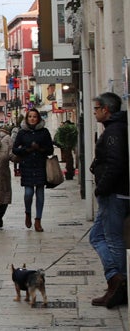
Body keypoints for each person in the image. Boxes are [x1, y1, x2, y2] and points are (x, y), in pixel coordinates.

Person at [88, 92, 130, 308]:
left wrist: (101, 188)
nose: (94, 112)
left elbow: (116, 162)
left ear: (106, 109)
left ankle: (118, 282)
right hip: (114, 193)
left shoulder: (114, 131)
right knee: (96, 236)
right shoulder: (116, 128)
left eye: (96, 108)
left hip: (114, 194)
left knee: (111, 239)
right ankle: (115, 279)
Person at [12, 108, 53, 232]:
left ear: (38, 118)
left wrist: (40, 149)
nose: (32, 119)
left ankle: (38, 220)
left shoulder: (44, 132)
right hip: (27, 165)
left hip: (40, 165)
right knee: (28, 193)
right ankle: (28, 213)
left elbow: (50, 149)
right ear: (27, 118)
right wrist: (27, 149)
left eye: (35, 116)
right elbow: (14, 149)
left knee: (40, 193)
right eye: (30, 116)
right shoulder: (22, 132)